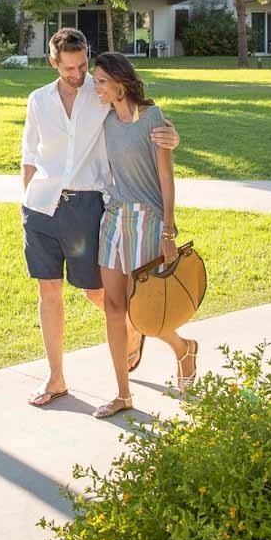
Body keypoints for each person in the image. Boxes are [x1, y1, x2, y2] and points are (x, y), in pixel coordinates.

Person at [20, 28, 179, 408]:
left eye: (82, 65)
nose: (79, 74)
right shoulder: (38, 100)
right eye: (69, 68)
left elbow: (140, 116)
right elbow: (29, 154)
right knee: (48, 293)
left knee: (97, 292)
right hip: (41, 206)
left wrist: (172, 136)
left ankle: (134, 328)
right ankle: (56, 378)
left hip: (86, 205)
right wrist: (25, 204)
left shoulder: (101, 91)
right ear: (53, 62)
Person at [88, 50, 197, 420]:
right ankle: (122, 394)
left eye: (102, 81)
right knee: (113, 308)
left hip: (148, 221)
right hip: (113, 219)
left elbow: (166, 177)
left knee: (142, 310)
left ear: (121, 82)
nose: (96, 88)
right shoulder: (104, 119)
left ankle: (183, 347)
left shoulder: (152, 118)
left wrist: (169, 230)